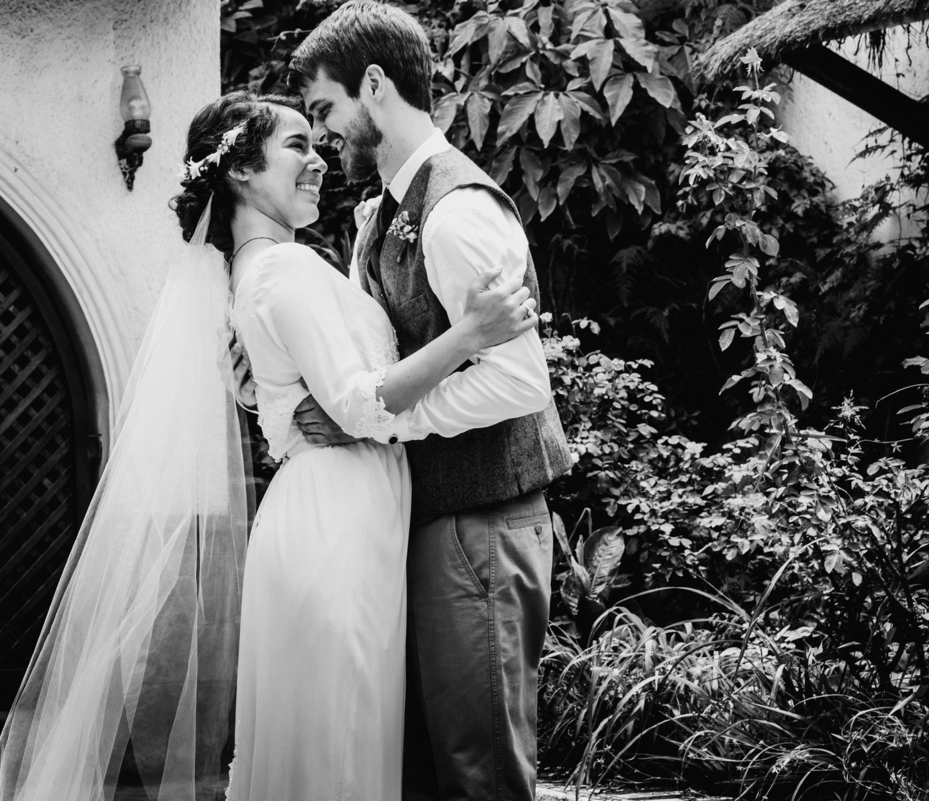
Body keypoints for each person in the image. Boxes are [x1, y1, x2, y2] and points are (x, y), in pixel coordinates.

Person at [0, 90, 537, 801]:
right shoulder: (281, 270)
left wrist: (267, 396)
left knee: (337, 735)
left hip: (344, 508)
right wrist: (471, 333)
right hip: (335, 517)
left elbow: (293, 385)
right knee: (338, 739)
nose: (320, 161)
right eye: (297, 145)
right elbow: (360, 404)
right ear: (240, 170)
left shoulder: (268, 268)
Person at [287, 3, 575, 800]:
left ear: (374, 85)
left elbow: (519, 381)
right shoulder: (380, 215)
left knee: (479, 766)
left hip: (482, 522)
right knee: (422, 766)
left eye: (325, 110)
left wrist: (383, 418)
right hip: (423, 517)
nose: (321, 136)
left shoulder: (456, 215)